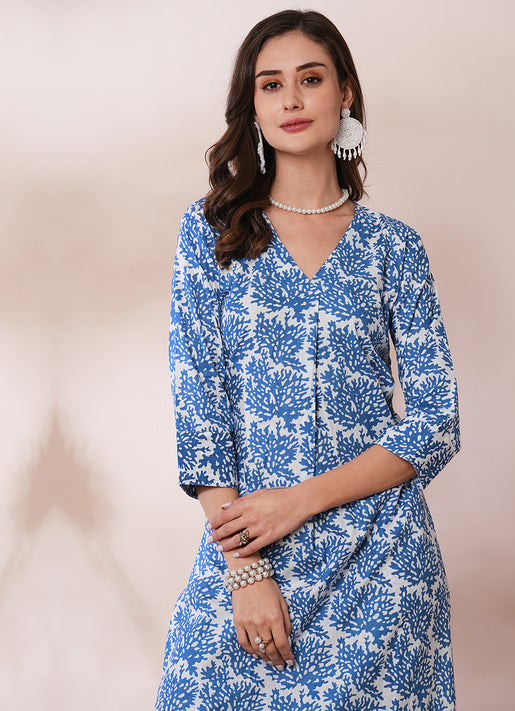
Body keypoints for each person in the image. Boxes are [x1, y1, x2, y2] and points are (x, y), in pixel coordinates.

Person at [155, 9, 460, 711]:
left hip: (383, 560)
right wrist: (244, 570)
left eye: (310, 79)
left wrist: (296, 502)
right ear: (253, 105)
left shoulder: (394, 247)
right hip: (251, 543)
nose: (291, 99)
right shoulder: (211, 233)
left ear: (344, 92)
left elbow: (437, 421)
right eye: (270, 84)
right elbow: (200, 409)